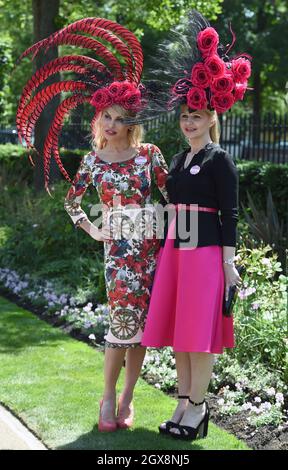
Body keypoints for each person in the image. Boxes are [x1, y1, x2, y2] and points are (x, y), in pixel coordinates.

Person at [16, 17, 168, 433]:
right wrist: (94, 229)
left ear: (130, 122)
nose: (112, 124)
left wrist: (171, 232)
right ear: (98, 120)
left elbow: (172, 200)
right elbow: (72, 202)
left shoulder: (150, 155)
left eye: (119, 118)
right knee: (120, 327)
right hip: (117, 255)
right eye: (106, 117)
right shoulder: (92, 162)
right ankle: (106, 398)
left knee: (142, 331)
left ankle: (127, 399)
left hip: (151, 251)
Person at [141, 10, 252, 440]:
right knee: (180, 333)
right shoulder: (180, 159)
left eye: (197, 116)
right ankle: (184, 402)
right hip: (177, 251)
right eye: (185, 116)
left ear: (211, 119)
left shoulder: (218, 159)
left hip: (206, 255)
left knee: (199, 335)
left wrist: (229, 264)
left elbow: (231, 214)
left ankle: (200, 406)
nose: (189, 122)